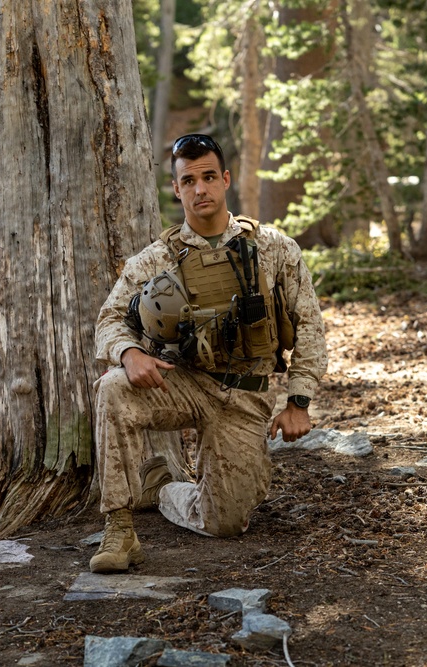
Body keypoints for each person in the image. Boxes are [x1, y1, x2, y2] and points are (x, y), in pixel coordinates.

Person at [89, 134, 328, 573]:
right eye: (189, 180)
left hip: (244, 396)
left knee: (225, 523)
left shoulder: (273, 248)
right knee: (113, 389)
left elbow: (310, 324)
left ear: (226, 180)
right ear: (176, 189)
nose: (201, 189)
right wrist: (127, 353)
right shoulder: (156, 258)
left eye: (209, 177)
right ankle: (120, 530)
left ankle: (163, 487)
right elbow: (109, 320)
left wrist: (298, 402)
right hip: (181, 383)